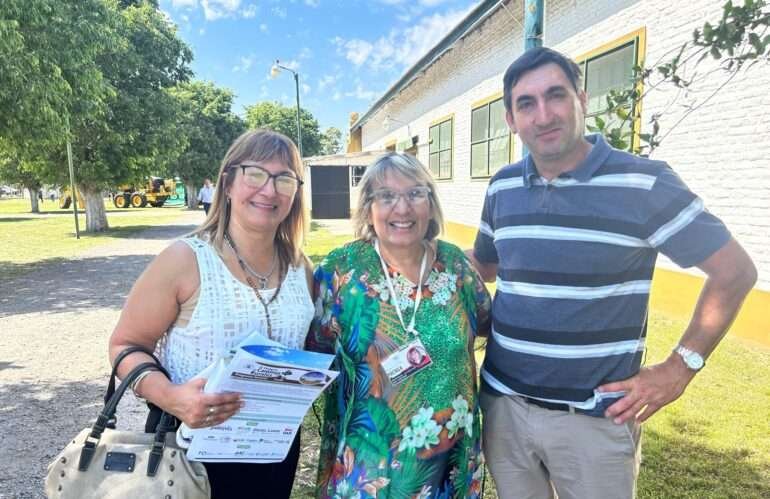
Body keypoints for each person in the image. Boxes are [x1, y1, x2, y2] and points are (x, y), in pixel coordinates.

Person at [467, 46, 757, 499]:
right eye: (526, 103)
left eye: (556, 96)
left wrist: (681, 368)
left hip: (595, 423)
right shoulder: (502, 186)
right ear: (510, 119)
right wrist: (406, 255)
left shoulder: (644, 184)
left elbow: (735, 272)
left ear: (582, 99)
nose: (543, 115)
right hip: (504, 409)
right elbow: (484, 264)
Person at [108, 129, 314, 498]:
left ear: (295, 193)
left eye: (284, 179)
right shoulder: (185, 260)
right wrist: (171, 396)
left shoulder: (302, 269)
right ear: (228, 183)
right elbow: (126, 345)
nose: (269, 190)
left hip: (275, 453)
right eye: (255, 174)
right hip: (189, 454)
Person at [308, 152, 492, 499]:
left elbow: (488, 325)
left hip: (450, 464)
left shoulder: (457, 268)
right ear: (368, 208)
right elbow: (316, 349)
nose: (402, 209)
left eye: (414, 194)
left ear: (430, 203)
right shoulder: (341, 271)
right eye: (387, 196)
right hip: (369, 467)